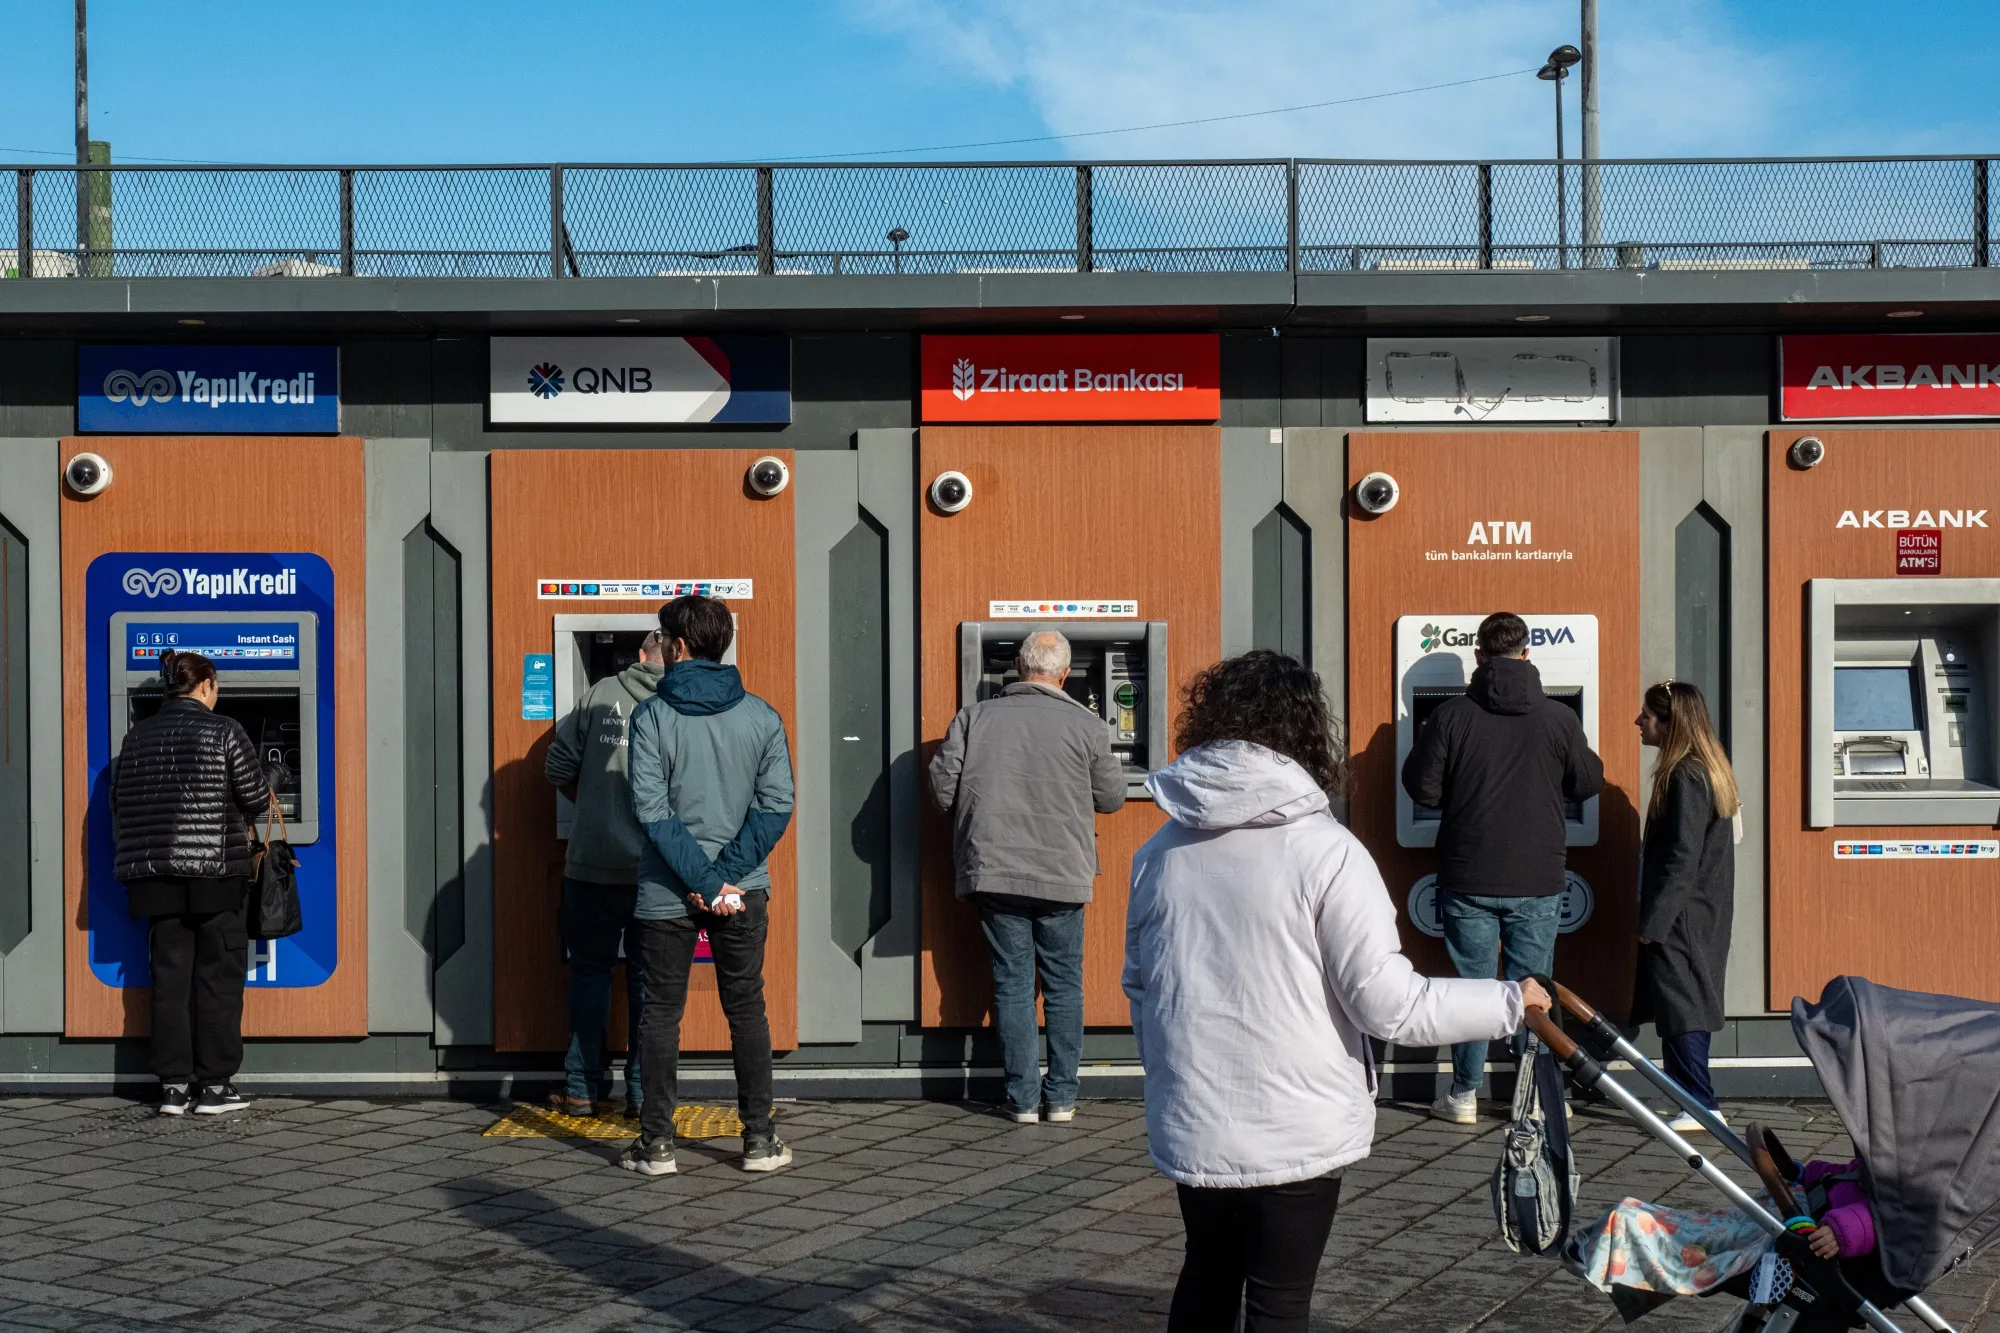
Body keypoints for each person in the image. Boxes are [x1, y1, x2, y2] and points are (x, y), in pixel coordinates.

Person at [1126, 650, 1550, 1333]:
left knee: (1206, 1273)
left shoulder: (1161, 850)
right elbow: (1389, 1003)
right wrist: (1511, 1000)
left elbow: (1142, 984)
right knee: (1279, 1300)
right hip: (1300, 1120)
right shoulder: (1329, 852)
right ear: (1305, 735)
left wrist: (1172, 1075)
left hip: (1195, 1109)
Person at [1401, 611, 1603, 1124]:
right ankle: (1532, 1097)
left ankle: (1464, 1095)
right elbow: (1586, 784)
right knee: (1533, 985)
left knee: (1472, 986)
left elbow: (1421, 788)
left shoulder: (1449, 717)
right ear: (1528, 654)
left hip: (1468, 874)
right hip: (1537, 877)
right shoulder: (1559, 718)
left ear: (1479, 657)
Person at [621, 595, 795, 1177]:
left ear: (679, 645)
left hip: (667, 893)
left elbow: (651, 809)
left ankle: (657, 1146)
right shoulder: (762, 716)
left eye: (663, 637)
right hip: (742, 891)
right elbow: (777, 805)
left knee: (659, 1014)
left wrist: (699, 880)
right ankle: (760, 1142)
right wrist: (724, 880)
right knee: (746, 1008)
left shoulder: (649, 717)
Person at [930, 630, 1125, 1125]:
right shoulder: (1087, 724)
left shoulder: (973, 718)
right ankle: (1060, 1098)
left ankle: (1021, 1099)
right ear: (1063, 675)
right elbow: (1112, 798)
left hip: (995, 871)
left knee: (1012, 983)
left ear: (1018, 668)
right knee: (1063, 985)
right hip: (1062, 872)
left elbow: (942, 790)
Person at [110, 650, 272, 1117]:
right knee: (218, 979)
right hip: (215, 875)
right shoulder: (224, 731)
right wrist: (276, 774)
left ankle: (174, 1089)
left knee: (170, 980)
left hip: (154, 878)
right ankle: (216, 1089)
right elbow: (256, 798)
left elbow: (119, 803)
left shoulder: (136, 736)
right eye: (216, 687)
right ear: (205, 685)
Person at [543, 628, 667, 1118]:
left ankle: (580, 1088)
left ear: (640, 655)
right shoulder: (684, 704)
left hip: (591, 867)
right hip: (657, 871)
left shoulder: (599, 694)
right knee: (647, 983)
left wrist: (595, 807)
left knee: (590, 977)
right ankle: (640, 1094)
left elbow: (557, 768)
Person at [1633, 679, 1740, 1133]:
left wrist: (1653, 922)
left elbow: (1682, 857)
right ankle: (1691, 1099)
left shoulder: (1686, 776)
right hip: (1696, 911)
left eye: (1648, 715)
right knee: (1682, 1004)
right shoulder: (1703, 769)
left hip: (1683, 916)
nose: (1638, 721)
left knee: (1684, 1007)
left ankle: (1701, 1104)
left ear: (1670, 723)